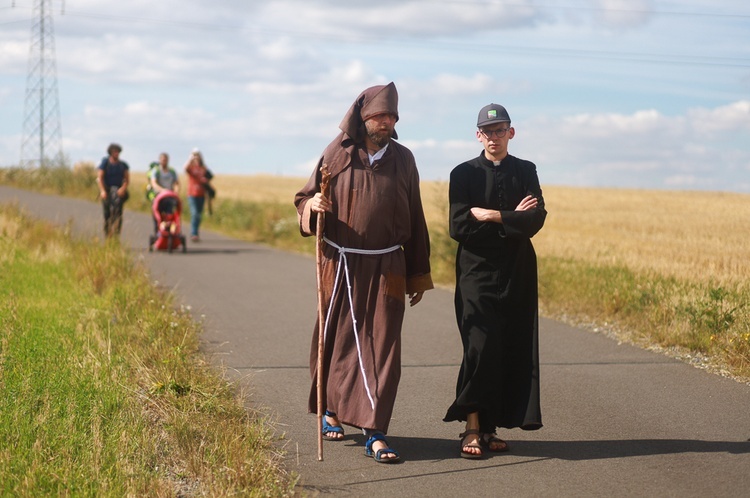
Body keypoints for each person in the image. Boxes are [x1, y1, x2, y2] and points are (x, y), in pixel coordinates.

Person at [294, 82, 433, 464]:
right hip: (339, 264)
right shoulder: (336, 153)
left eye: (391, 116)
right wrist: (313, 206)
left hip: (388, 265)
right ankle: (330, 410)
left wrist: (418, 274)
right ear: (363, 117)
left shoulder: (403, 159)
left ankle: (375, 431)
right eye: (379, 115)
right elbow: (303, 199)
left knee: (382, 347)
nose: (386, 121)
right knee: (336, 341)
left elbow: (416, 217)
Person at [443, 103, 547, 459]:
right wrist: (510, 221)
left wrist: (491, 215)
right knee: (479, 346)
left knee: (508, 344)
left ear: (511, 133)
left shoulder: (526, 170)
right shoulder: (463, 174)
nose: (494, 137)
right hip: (476, 273)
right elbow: (459, 227)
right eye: (488, 132)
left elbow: (535, 219)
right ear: (478, 135)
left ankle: (490, 428)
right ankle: (471, 426)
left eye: (500, 130)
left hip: (517, 271)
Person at [96, 142, 130, 238]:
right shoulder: (105, 164)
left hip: (118, 192)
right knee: (107, 214)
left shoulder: (123, 165)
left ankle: (116, 235)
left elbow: (126, 180)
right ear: (110, 152)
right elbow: (100, 178)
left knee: (118, 214)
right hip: (107, 191)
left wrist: (123, 189)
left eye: (118, 152)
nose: (117, 154)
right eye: (115, 152)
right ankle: (107, 235)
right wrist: (103, 191)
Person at [183, 148, 211, 242]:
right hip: (192, 194)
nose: (196, 157)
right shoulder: (191, 167)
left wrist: (206, 181)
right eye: (195, 155)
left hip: (201, 194)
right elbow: (185, 168)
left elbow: (208, 175)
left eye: (197, 155)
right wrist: (190, 158)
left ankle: (196, 232)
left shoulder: (203, 168)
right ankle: (193, 233)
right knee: (194, 213)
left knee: (198, 215)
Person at [149, 152, 180, 232]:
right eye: (162, 160)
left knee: (170, 214)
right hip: (158, 196)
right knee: (157, 214)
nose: (164, 161)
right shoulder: (156, 171)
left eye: (165, 160)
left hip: (169, 197)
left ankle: (170, 229)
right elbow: (154, 183)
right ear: (160, 160)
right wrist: (162, 190)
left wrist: (176, 191)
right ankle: (157, 230)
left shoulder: (172, 171)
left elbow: (176, 183)